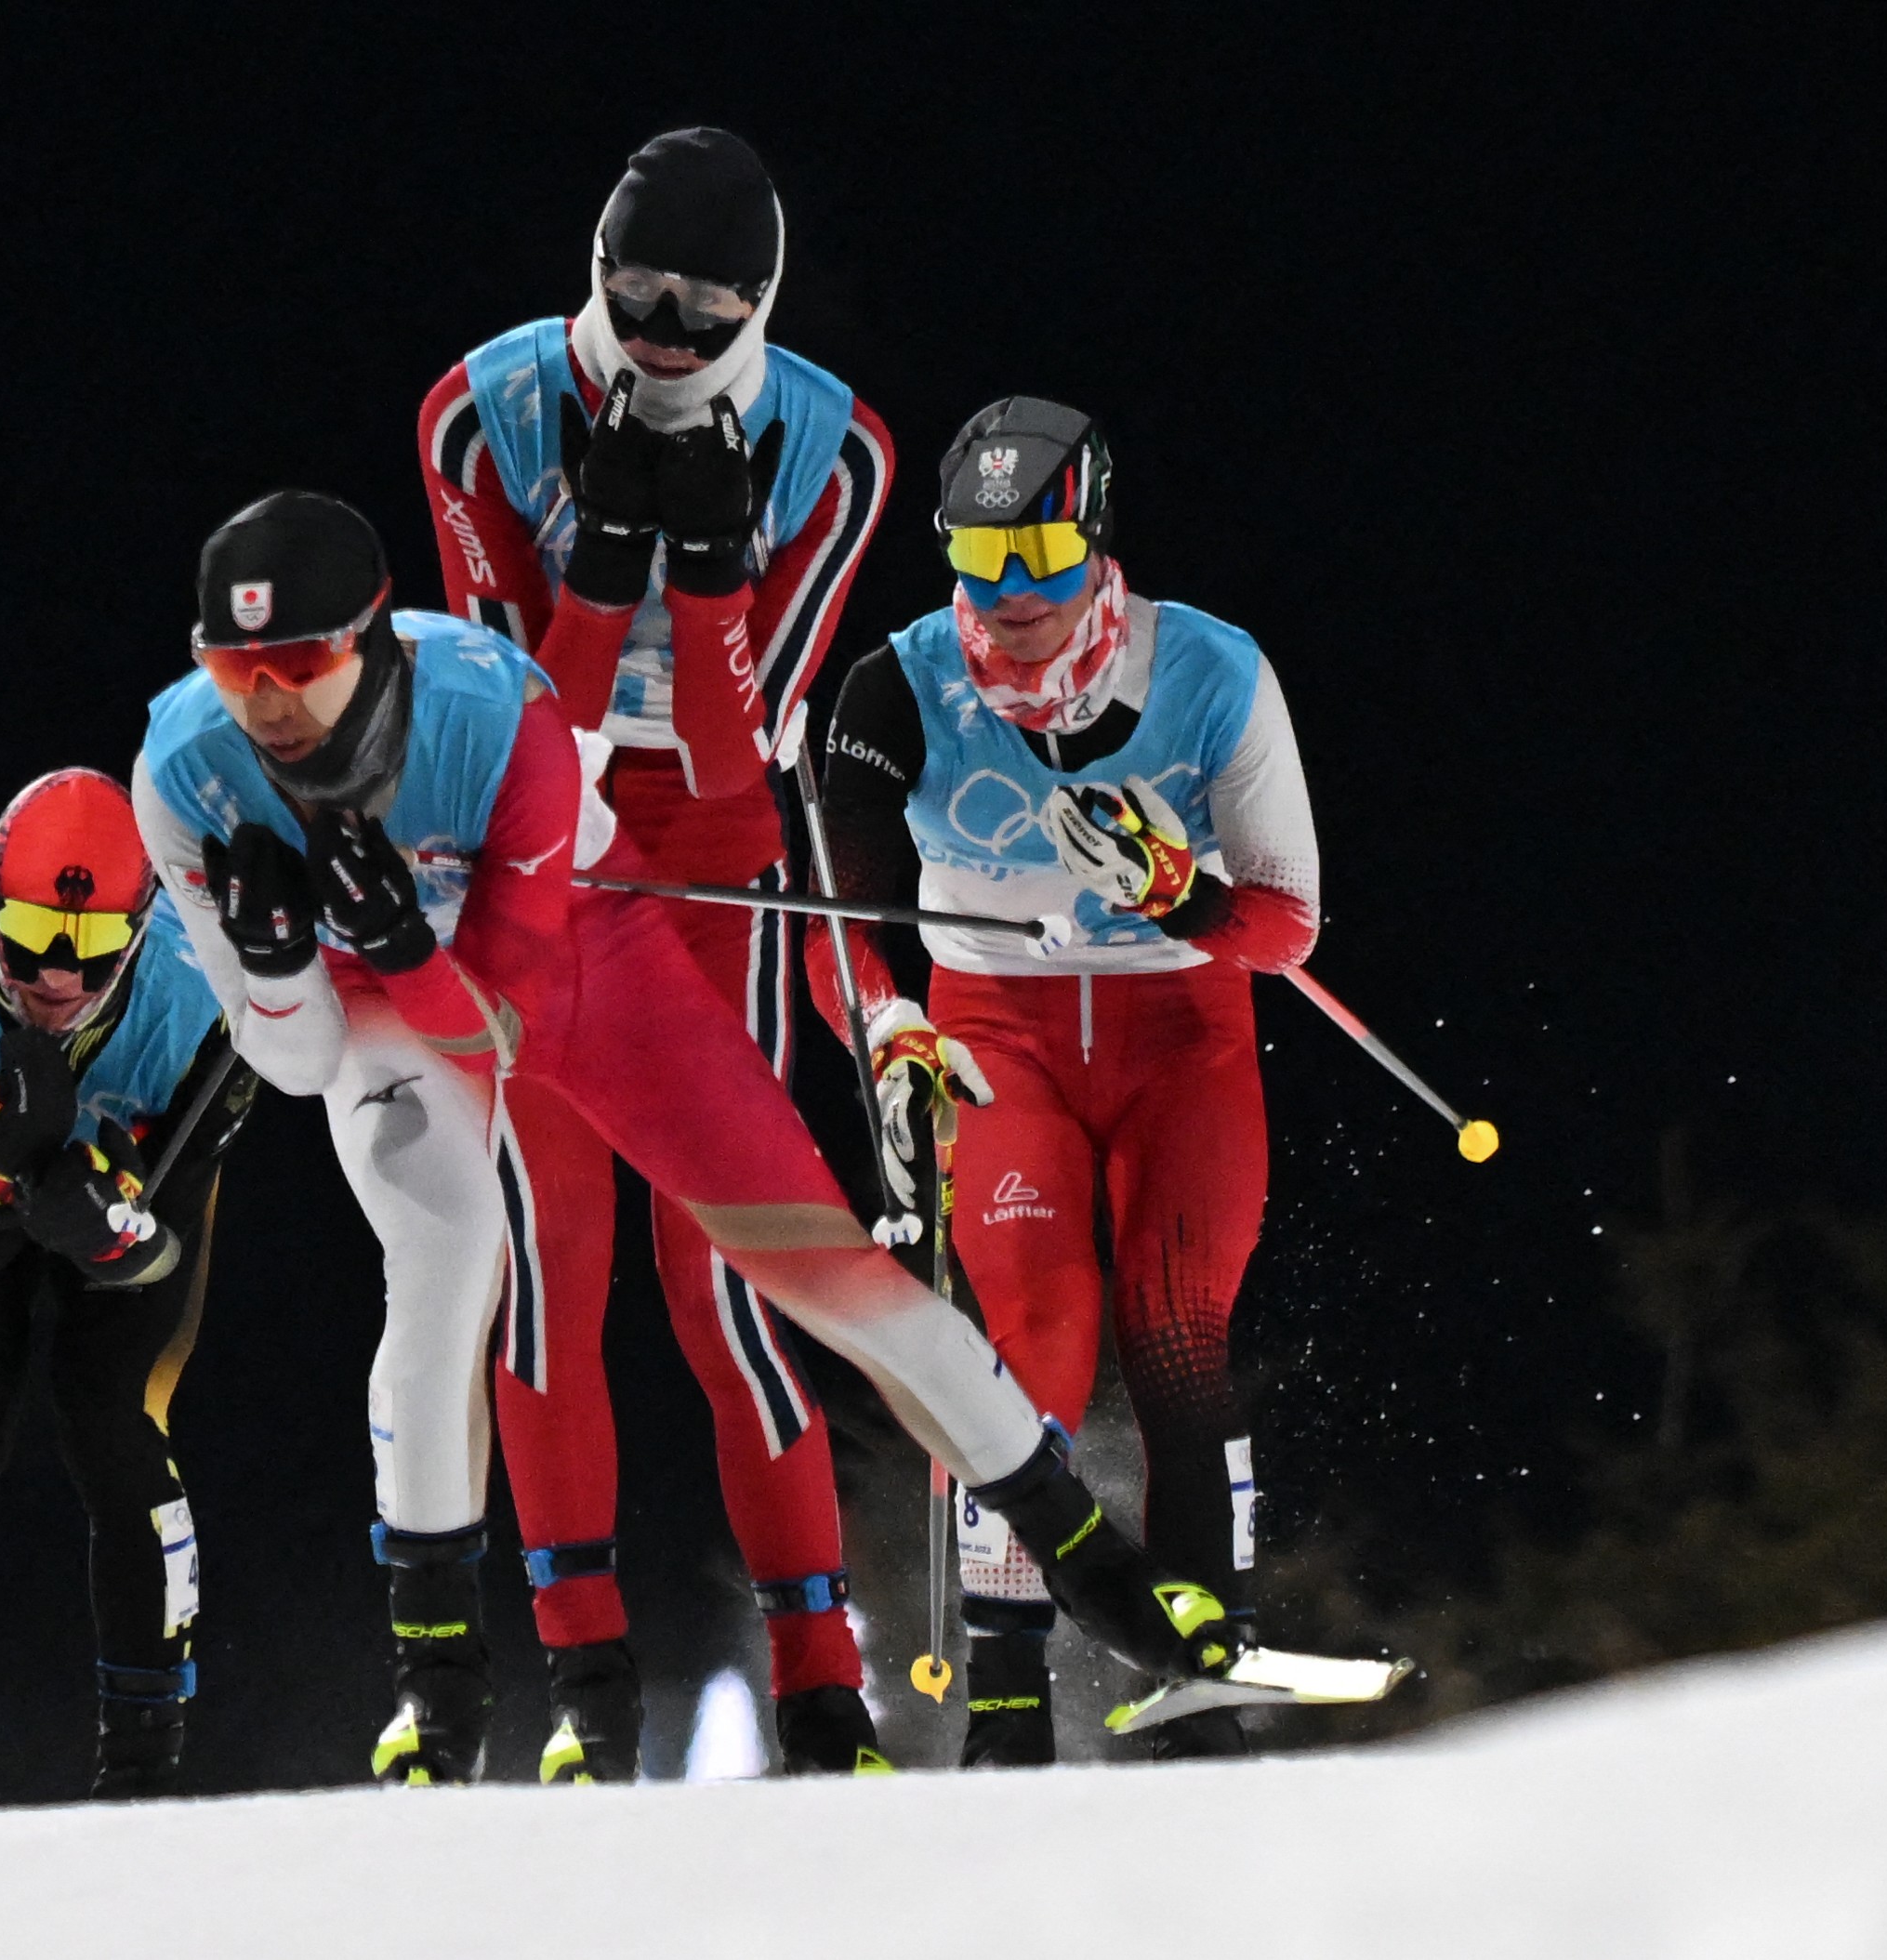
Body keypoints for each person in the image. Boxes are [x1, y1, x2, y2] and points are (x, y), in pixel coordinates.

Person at [135, 488, 1260, 1788]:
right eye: (235, 668)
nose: (267, 702)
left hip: (577, 969)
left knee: (830, 1276)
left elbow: (509, 1016)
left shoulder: (496, 712)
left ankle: (1105, 1579)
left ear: (370, 635)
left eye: (300, 664)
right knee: (444, 1274)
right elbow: (297, 1059)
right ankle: (438, 1691)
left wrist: (395, 938)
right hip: (388, 1016)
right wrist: (281, 971)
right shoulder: (179, 772)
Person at [416, 125, 895, 1781]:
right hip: (537, 843)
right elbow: (508, 719)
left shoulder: (836, 451)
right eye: (636, 293)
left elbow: (724, 754)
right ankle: (586, 1692)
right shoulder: (476, 410)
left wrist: (699, 583)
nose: (664, 333)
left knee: (733, 1273)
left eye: (704, 306)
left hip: (705, 860)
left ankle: (821, 1686)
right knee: (552, 1261)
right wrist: (606, 550)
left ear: (759, 303)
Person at [810, 398, 1323, 1765]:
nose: (1011, 592)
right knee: (1025, 1334)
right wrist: (889, 1027)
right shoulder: (895, 688)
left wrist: (1180, 891)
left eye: (1041, 549)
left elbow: (1285, 929)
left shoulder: (1213, 673)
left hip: (1180, 1039)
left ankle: (1213, 1652)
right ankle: (1007, 1699)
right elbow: (846, 935)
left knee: (1174, 1324)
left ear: (1096, 535)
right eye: (980, 557)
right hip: (999, 1037)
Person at [0, 768, 257, 1806]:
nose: (54, 977)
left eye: (87, 947)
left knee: (117, 1423)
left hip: (120, 1198)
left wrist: (112, 1230)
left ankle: (145, 1777)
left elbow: (167, 1249)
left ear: (144, 926)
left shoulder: (215, 1002)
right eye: (27, 933)